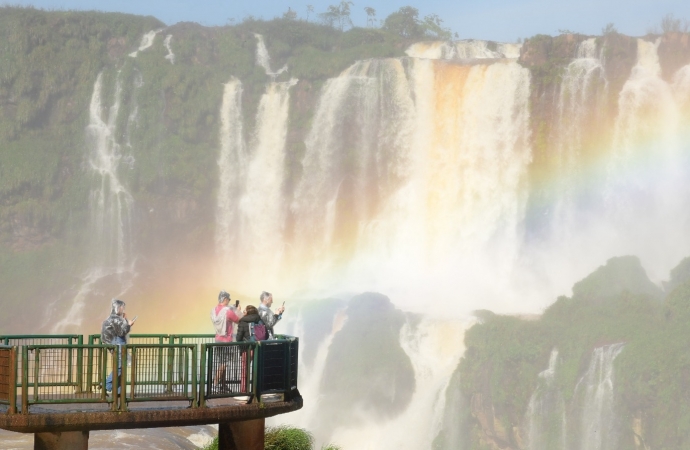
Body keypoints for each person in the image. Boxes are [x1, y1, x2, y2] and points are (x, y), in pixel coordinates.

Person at [210, 290, 241, 392]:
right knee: (224, 364)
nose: (229, 301)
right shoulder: (228, 311)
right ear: (225, 299)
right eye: (228, 299)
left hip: (217, 339)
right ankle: (214, 384)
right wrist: (238, 310)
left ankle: (223, 385)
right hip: (226, 340)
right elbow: (238, 320)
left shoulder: (213, 310)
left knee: (221, 363)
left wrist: (232, 307)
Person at [102, 299, 135, 393]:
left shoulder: (113, 318)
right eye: (122, 307)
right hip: (117, 344)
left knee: (121, 366)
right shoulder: (115, 319)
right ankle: (106, 385)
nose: (123, 309)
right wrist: (129, 325)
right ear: (118, 307)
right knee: (120, 366)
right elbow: (121, 332)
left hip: (113, 343)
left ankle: (119, 392)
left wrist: (125, 319)